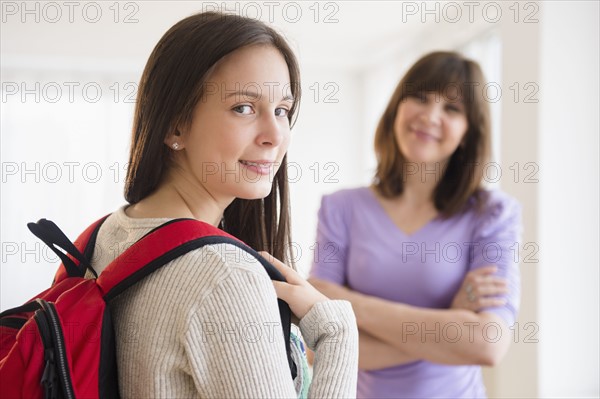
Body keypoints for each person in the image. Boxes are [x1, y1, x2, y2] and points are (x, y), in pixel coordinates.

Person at [90, 12, 358, 398]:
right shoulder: (225, 274)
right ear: (175, 126)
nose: (274, 135)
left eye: (282, 109)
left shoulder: (105, 234)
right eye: (243, 108)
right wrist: (337, 332)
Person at [308, 51, 522, 398]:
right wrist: (450, 321)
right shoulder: (340, 207)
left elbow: (487, 344)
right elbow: (316, 348)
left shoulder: (493, 213)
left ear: (469, 131)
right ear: (396, 108)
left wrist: (346, 304)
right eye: (420, 97)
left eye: (452, 108)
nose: (430, 115)